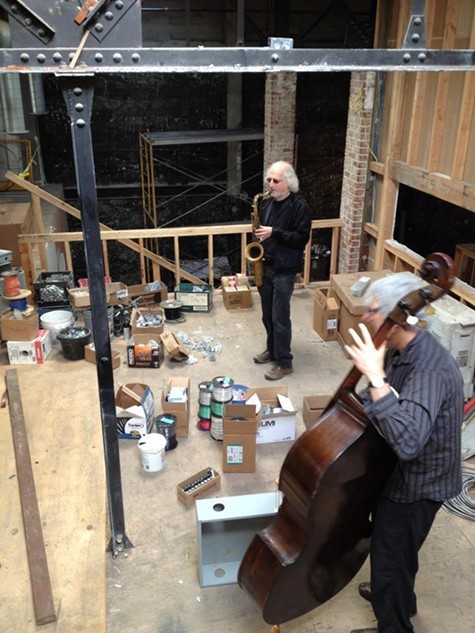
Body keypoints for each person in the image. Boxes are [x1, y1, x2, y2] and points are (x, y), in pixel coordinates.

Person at [343, 271, 463, 633]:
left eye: (374, 310)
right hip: (397, 473)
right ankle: (399, 598)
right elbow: (384, 405)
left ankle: (393, 621)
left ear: (400, 314)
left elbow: (409, 443)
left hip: (416, 486)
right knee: (398, 554)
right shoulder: (400, 349)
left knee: (389, 559)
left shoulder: (429, 368)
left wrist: (375, 378)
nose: (365, 316)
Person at [252, 160, 312, 381]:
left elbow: (301, 238)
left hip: (285, 269)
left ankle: (284, 362)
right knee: (267, 315)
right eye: (269, 179)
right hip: (265, 265)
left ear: (288, 182)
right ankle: (272, 350)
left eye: (275, 180)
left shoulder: (299, 206)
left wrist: (274, 232)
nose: (270, 183)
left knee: (280, 317)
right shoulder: (265, 203)